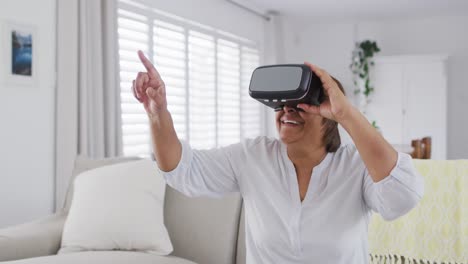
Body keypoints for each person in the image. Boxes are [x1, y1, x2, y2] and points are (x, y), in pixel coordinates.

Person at [132, 50, 424, 264]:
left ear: (329, 117)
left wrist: (347, 113)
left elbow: (402, 197)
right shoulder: (253, 157)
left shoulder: (357, 167)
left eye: (301, 106)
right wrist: (158, 113)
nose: (287, 111)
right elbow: (183, 170)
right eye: (282, 105)